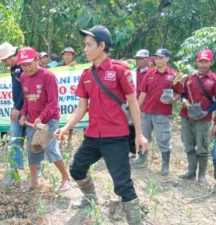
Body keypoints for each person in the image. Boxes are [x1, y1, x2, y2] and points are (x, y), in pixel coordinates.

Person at [55, 25, 149, 225]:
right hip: (92, 137)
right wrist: (65, 128)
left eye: (89, 45)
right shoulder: (86, 75)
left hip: (115, 137)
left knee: (123, 185)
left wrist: (139, 135)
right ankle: (90, 198)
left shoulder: (119, 70)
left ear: (102, 45)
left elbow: (132, 102)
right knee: (76, 168)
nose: (85, 49)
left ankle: (135, 221)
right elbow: (81, 108)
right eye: (85, 45)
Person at [18, 47, 70, 192]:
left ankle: (66, 177)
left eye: (29, 63)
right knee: (33, 149)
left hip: (49, 119)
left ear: (37, 60)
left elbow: (53, 103)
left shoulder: (48, 76)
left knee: (49, 147)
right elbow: (27, 99)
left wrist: (41, 118)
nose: (26, 67)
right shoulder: (23, 77)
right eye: (23, 65)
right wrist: (23, 114)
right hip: (32, 121)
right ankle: (34, 181)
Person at [135, 48, 181, 176]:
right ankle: (142, 158)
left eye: (161, 58)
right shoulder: (149, 74)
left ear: (167, 59)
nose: (158, 60)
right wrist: (137, 109)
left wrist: (174, 99)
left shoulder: (174, 75)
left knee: (163, 138)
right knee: (144, 137)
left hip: (162, 112)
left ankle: (165, 164)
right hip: (146, 111)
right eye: (156, 57)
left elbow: (178, 92)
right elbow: (143, 92)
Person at [179, 49, 215, 184]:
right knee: (188, 144)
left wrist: (208, 111)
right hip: (186, 115)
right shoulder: (189, 78)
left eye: (206, 61)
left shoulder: (214, 79)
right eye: (201, 61)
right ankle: (191, 171)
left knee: (202, 145)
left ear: (211, 62)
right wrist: (183, 100)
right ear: (196, 61)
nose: (203, 64)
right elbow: (183, 93)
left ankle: (202, 174)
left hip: (203, 118)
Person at [0, 42, 25, 184]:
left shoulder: (24, 66)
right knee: (14, 140)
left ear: (11, 56)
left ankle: (37, 171)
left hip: (28, 108)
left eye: (4, 60)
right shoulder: (13, 68)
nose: (3, 63)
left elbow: (26, 89)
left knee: (34, 142)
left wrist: (18, 108)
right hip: (18, 107)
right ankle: (14, 171)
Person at [128, 49, 150, 158]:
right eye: (137, 58)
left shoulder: (151, 72)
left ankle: (143, 153)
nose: (138, 61)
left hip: (146, 105)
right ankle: (132, 150)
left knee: (144, 128)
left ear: (147, 59)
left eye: (141, 58)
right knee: (131, 126)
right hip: (132, 102)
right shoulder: (133, 71)